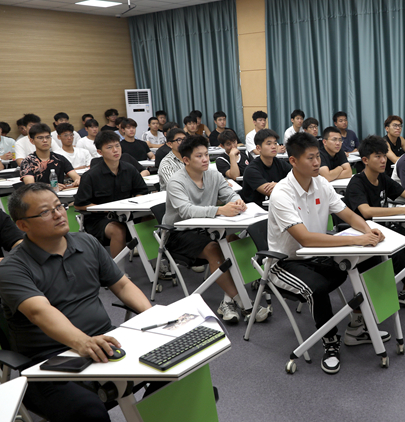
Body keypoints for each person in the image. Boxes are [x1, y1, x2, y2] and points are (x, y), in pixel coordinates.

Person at [0, 183, 152, 422]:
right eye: (45, 212)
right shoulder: (13, 268)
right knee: (89, 412)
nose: (59, 213)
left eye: (59, 206)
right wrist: (83, 342)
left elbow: (122, 285)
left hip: (104, 341)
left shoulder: (87, 243)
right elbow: (41, 312)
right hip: (48, 362)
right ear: (22, 225)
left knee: (174, 367)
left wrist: (152, 317)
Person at [267, 132, 388, 374]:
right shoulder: (282, 193)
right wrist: (358, 240)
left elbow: (348, 214)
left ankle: (355, 326)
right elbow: (305, 239)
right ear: (293, 161)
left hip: (318, 256)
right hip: (286, 263)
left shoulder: (321, 183)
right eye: (310, 158)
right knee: (319, 286)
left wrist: (368, 230)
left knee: (371, 259)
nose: (316, 163)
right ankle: (330, 341)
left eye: (317, 157)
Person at [164, 135, 268, 324]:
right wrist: (220, 210)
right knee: (215, 249)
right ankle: (246, 304)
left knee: (236, 243)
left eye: (206, 155)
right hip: (178, 234)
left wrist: (237, 203)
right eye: (198, 156)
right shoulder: (176, 182)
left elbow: (229, 194)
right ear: (186, 160)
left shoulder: (213, 175)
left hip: (207, 228)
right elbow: (186, 211)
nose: (205, 159)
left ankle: (227, 302)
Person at [345, 135, 405, 308]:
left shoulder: (383, 178)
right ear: (365, 160)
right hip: (365, 233)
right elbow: (366, 211)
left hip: (384, 228)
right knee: (398, 253)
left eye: (384, 156)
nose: (383, 160)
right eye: (377, 156)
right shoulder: (357, 182)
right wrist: (404, 209)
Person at [74, 131, 149, 259]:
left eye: (117, 146)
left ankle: (156, 265)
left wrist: (135, 203)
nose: (115, 150)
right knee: (118, 230)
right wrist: (108, 209)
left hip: (127, 214)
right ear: (100, 152)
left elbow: (142, 191)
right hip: (100, 219)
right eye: (109, 147)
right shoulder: (91, 175)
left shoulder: (129, 169)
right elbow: (80, 205)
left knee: (149, 220)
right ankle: (120, 273)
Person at [240, 129, 291, 207]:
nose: (274, 146)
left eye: (275, 143)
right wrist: (283, 185)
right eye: (269, 143)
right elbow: (270, 191)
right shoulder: (251, 170)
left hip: (277, 205)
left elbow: (298, 180)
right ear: (258, 148)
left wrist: (278, 185)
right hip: (256, 211)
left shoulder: (281, 163)